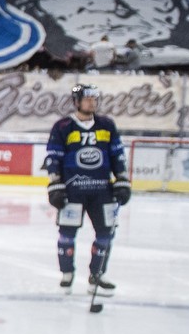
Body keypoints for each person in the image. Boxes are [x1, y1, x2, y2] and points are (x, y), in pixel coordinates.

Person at [45, 82, 131, 298]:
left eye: (94, 98)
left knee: (106, 233)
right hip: (73, 190)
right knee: (66, 234)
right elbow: (53, 156)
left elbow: (117, 154)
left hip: (102, 190)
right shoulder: (64, 126)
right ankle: (67, 273)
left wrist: (121, 180)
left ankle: (97, 274)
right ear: (76, 102)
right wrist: (55, 185)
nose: (92, 102)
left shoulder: (106, 125)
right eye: (87, 98)